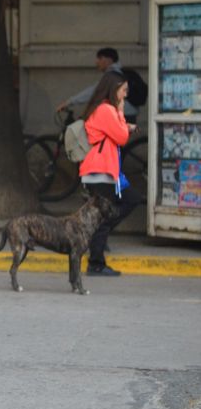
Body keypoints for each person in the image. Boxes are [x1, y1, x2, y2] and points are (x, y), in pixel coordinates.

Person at [79, 71, 139, 276]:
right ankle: (96, 262)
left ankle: (98, 238)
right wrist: (121, 113)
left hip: (108, 171)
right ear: (114, 90)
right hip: (99, 171)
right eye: (124, 90)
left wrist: (124, 124)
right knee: (103, 217)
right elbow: (121, 138)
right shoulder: (106, 109)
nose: (125, 95)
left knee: (131, 199)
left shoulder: (104, 109)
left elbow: (116, 133)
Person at [57, 47, 140, 123]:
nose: (97, 62)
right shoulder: (120, 73)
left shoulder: (112, 75)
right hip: (129, 113)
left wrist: (69, 102)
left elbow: (94, 92)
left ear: (109, 60)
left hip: (122, 115)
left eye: (100, 58)